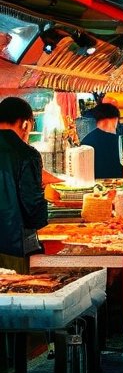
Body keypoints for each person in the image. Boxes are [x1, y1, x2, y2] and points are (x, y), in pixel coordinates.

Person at [0, 97, 48, 272]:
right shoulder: (27, 154)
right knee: (16, 295)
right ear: (26, 124)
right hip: (15, 246)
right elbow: (32, 208)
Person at [80, 102, 123, 179]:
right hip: (119, 185)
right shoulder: (119, 140)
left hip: (95, 186)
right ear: (114, 119)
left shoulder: (86, 140)